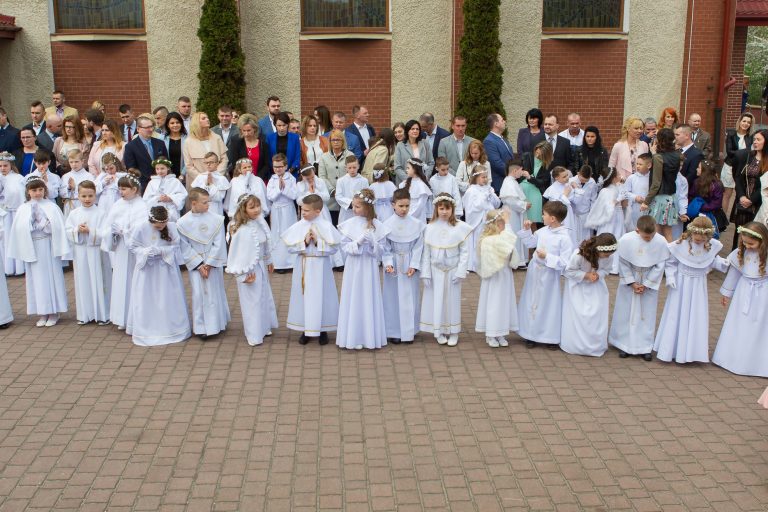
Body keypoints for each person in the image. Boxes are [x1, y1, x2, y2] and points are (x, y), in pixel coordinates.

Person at [653, 217, 728, 363]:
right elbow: (671, 263)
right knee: (676, 313)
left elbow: (710, 261)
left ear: (707, 236)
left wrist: (722, 263)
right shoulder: (680, 245)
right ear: (691, 233)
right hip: (681, 284)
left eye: (702, 239)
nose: (698, 241)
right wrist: (671, 277)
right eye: (696, 237)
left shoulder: (710, 246)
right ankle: (671, 349)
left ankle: (692, 352)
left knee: (696, 314)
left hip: (699, 285)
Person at [7, 175, 70, 327]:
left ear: (44, 190)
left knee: (51, 278)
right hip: (33, 248)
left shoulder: (51, 207)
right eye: (34, 190)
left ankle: (54, 311)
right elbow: (19, 229)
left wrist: (43, 223)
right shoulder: (23, 208)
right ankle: (42, 312)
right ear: (28, 191)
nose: (37, 193)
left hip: (48, 246)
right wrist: (31, 221)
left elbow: (57, 228)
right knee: (36, 280)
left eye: (40, 190)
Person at [282, 193, 342, 345]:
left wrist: (317, 242)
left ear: (318, 211)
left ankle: (322, 330)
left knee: (322, 297)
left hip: (321, 268)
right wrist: (303, 242)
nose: (303, 212)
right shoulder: (299, 226)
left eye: (307, 210)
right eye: (302, 209)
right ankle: (306, 330)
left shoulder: (326, 226)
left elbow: (334, 249)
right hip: (303, 266)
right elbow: (290, 248)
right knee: (304, 298)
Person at [126, 206, 190, 346]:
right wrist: (145, 252)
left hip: (165, 269)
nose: (161, 227)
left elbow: (176, 246)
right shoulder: (141, 227)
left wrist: (161, 251)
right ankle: (146, 329)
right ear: (151, 221)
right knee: (146, 297)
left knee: (167, 297)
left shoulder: (172, 227)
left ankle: (171, 329)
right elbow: (132, 246)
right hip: (147, 269)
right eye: (157, 225)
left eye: (163, 224)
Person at [609, 215, 670, 361]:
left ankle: (645, 346)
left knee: (646, 314)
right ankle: (624, 344)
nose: (649, 239)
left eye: (651, 236)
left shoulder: (660, 241)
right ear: (637, 230)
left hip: (648, 281)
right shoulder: (626, 240)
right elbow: (623, 262)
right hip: (630, 280)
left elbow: (660, 265)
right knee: (626, 312)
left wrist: (647, 284)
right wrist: (631, 282)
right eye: (646, 237)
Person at [712, 222, 768, 377]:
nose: (747, 246)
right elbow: (734, 273)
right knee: (740, 322)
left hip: (763, 293)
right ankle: (734, 359)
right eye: (745, 242)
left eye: (751, 243)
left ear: (763, 241)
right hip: (743, 292)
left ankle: (758, 363)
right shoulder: (741, 252)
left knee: (760, 325)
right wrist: (727, 293)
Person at [336, 189, 389, 350]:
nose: (354, 209)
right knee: (353, 296)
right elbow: (344, 247)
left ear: (367, 207)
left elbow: (382, 251)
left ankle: (368, 336)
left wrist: (373, 243)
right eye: (353, 206)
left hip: (369, 266)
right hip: (353, 266)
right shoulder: (349, 224)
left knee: (368, 296)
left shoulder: (378, 226)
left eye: (357, 206)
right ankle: (353, 336)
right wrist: (357, 243)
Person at [516, 201, 573, 349]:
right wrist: (527, 230)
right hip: (535, 272)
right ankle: (530, 334)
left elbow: (565, 262)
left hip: (549, 275)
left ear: (552, 218)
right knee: (531, 300)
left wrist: (547, 256)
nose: (542, 216)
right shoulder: (542, 231)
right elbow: (530, 243)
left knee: (548, 304)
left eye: (544, 214)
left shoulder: (564, 238)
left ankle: (549, 336)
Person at [420, 193, 472, 346]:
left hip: (452, 270)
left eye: (447, 209)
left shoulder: (460, 227)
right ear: (436, 209)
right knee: (437, 301)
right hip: (435, 270)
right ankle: (440, 330)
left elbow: (465, 252)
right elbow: (426, 253)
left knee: (452, 301)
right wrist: (425, 273)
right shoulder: (429, 228)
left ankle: (453, 331)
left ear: (452, 209)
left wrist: (461, 271)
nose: (444, 212)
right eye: (441, 208)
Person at [177, 187, 230, 340]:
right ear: (194, 203)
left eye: (208, 202)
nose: (208, 205)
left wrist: (210, 263)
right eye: (205, 202)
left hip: (212, 263)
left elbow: (219, 243)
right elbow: (184, 246)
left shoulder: (216, 219)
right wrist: (199, 265)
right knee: (199, 294)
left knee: (215, 292)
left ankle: (217, 324)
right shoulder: (182, 223)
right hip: (197, 265)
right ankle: (201, 327)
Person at [226, 194, 277, 346]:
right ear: (243, 209)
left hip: (260, 266)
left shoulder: (260, 222)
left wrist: (268, 260)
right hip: (249, 270)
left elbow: (264, 244)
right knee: (252, 302)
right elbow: (237, 254)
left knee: (263, 297)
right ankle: (254, 335)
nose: (256, 210)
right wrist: (242, 276)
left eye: (258, 206)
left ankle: (263, 327)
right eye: (252, 207)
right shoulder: (241, 229)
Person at [100, 171, 148, 330]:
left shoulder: (142, 206)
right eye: (119, 189)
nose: (121, 192)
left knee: (134, 280)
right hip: (121, 248)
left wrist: (125, 231)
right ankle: (122, 317)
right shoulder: (117, 205)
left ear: (134, 189)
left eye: (124, 189)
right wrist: (113, 232)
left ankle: (136, 318)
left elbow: (142, 229)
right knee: (121, 280)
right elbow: (107, 226)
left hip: (134, 250)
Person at [560, 233, 617, 357]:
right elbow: (569, 271)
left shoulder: (609, 257)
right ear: (598, 249)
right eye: (606, 255)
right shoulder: (579, 255)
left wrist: (598, 275)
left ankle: (595, 344)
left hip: (596, 286)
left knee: (596, 312)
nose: (608, 257)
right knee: (580, 314)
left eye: (610, 255)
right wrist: (586, 275)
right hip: (578, 286)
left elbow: (606, 269)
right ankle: (576, 344)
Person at [382, 188, 425, 345]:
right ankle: (394, 331)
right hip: (394, 264)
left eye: (407, 205)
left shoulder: (416, 224)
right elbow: (385, 247)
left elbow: (419, 246)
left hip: (409, 263)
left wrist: (414, 264)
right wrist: (388, 263)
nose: (404, 209)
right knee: (392, 298)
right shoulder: (387, 225)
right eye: (401, 206)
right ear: (393, 205)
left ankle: (410, 330)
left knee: (410, 297)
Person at [65, 180, 111, 325]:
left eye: (90, 196)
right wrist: (77, 230)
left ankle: (103, 314)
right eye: (83, 196)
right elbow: (67, 231)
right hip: (81, 252)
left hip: (96, 252)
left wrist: (91, 231)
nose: (87, 199)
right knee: (83, 281)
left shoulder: (101, 213)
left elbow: (106, 233)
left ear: (95, 195)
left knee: (99, 280)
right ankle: (85, 314)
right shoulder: (74, 213)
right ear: (78, 196)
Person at [475, 209, 520, 347]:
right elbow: (507, 241)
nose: (504, 226)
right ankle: (491, 333)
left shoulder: (501, 237)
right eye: (502, 224)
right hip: (494, 278)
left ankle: (501, 332)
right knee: (494, 304)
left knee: (504, 304)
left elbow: (510, 247)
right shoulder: (488, 240)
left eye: (505, 224)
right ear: (494, 225)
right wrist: (508, 223)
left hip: (505, 275)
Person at [641, 128, 682, 242]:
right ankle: (670, 252)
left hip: (660, 198)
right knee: (668, 232)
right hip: (671, 197)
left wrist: (646, 201)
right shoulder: (677, 155)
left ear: (660, 140)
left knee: (656, 232)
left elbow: (656, 183)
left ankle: (658, 252)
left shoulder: (658, 157)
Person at [730, 128, 767, 249]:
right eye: (754, 139)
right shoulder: (747, 156)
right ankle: (737, 254)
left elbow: (765, 186)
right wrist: (741, 196)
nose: (755, 142)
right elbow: (738, 177)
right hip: (743, 202)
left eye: (758, 140)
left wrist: (751, 200)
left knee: (756, 233)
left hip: (759, 203)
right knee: (740, 232)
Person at [585, 167, 625, 273]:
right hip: (609, 220)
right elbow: (608, 206)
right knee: (608, 237)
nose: (620, 175)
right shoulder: (606, 191)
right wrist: (618, 200)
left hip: (618, 217)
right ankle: (605, 264)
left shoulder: (617, 187)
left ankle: (616, 266)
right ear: (613, 178)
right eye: (618, 174)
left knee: (618, 237)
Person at [463, 166, 500, 272]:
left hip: (489, 220)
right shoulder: (471, 191)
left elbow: (497, 204)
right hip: (478, 222)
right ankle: (476, 264)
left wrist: (492, 196)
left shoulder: (489, 189)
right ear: (476, 178)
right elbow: (471, 208)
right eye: (483, 177)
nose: (485, 179)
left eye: (486, 177)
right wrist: (484, 198)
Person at [266, 153, 298, 272]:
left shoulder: (291, 178)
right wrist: (279, 189)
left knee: (289, 233)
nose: (278, 169)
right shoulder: (272, 180)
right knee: (277, 234)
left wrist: (284, 188)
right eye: (275, 167)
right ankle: (279, 263)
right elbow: (270, 196)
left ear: (285, 166)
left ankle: (291, 262)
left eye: (280, 166)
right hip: (277, 210)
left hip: (288, 209)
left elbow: (294, 195)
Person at [182, 112, 228, 188]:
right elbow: (188, 165)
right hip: (197, 182)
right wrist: (203, 178)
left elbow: (224, 159)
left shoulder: (217, 138)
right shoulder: (188, 142)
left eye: (207, 117)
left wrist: (217, 175)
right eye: (203, 118)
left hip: (218, 181)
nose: (207, 119)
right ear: (196, 122)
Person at [318, 129, 354, 225]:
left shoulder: (350, 155)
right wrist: (333, 191)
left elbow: (352, 174)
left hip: (346, 197)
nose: (336, 142)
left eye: (338, 139)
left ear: (343, 141)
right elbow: (322, 177)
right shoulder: (324, 157)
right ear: (330, 142)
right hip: (331, 199)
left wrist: (341, 191)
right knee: (332, 225)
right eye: (333, 140)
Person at [123, 116, 169, 188]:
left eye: (151, 126)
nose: (151, 129)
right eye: (147, 127)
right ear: (138, 129)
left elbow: (166, 163)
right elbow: (131, 169)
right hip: (143, 185)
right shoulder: (130, 147)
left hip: (162, 183)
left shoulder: (160, 143)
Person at [499, 158, 530, 267]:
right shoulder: (508, 182)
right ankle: (514, 260)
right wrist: (524, 205)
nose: (522, 172)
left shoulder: (513, 181)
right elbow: (510, 200)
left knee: (517, 234)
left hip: (515, 213)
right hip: (511, 214)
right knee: (513, 234)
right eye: (521, 170)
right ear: (515, 170)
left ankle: (520, 259)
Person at [722, 112, 754, 215]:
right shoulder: (731, 134)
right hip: (729, 167)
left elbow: (752, 153)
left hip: (744, 169)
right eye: (744, 121)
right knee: (727, 194)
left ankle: (736, 217)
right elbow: (729, 152)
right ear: (739, 121)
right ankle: (723, 219)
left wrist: (743, 153)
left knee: (741, 193)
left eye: (748, 122)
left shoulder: (751, 137)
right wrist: (745, 152)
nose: (746, 124)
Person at [0, 153, 26, 276]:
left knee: (16, 238)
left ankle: (20, 267)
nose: (2, 168)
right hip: (3, 214)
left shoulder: (18, 178)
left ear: (11, 165)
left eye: (5, 165)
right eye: (0, 166)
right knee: (5, 239)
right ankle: (7, 267)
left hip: (16, 212)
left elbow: (21, 194)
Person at [543, 166, 579, 248]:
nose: (567, 178)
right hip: (559, 217)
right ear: (556, 178)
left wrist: (576, 189)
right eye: (564, 177)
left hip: (569, 214)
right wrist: (565, 195)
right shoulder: (552, 189)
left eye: (567, 175)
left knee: (571, 234)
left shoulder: (567, 185)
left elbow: (575, 201)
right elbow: (556, 206)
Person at [520, 140, 552, 226]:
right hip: (522, 189)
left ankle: (533, 235)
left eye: (540, 154)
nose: (537, 155)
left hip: (536, 192)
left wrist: (530, 178)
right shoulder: (527, 156)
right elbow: (518, 170)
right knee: (522, 220)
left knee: (533, 221)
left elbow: (542, 183)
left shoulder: (547, 165)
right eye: (536, 152)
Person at [690, 160, 725, 236]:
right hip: (697, 214)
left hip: (713, 215)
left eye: (699, 167)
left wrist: (701, 207)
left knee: (711, 237)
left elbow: (717, 203)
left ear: (704, 171)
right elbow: (691, 196)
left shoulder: (716, 185)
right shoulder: (696, 182)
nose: (696, 169)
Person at [230, 116, 270, 181]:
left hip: (259, 180)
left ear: (255, 129)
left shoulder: (263, 142)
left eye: (249, 130)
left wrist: (257, 178)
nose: (246, 134)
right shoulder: (236, 142)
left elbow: (266, 165)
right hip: (242, 180)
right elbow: (235, 163)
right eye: (244, 130)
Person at [394, 119, 434, 184]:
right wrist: (409, 180)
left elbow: (431, 162)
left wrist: (425, 177)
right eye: (412, 129)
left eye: (417, 129)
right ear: (407, 131)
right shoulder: (400, 145)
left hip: (422, 182)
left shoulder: (425, 143)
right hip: (406, 183)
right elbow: (397, 167)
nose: (415, 131)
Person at [567, 164, 598, 247]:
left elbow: (593, 199)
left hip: (585, 214)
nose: (583, 182)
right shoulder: (571, 181)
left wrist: (592, 214)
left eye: (586, 181)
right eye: (582, 180)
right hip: (573, 214)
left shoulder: (592, 182)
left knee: (586, 238)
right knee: (574, 237)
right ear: (578, 173)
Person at [483, 113, 514, 193]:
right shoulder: (489, 141)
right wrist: (513, 172)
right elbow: (496, 163)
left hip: (508, 183)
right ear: (496, 124)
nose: (504, 122)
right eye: (502, 120)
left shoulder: (503, 139)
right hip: (499, 185)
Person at [59, 149, 94, 220]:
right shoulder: (65, 176)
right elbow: (61, 193)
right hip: (69, 205)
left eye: (76, 162)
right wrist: (69, 188)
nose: (74, 164)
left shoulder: (89, 176)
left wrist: (75, 188)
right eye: (71, 162)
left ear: (82, 161)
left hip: (82, 204)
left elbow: (91, 192)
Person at [335, 155, 369, 225]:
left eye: (354, 167)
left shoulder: (364, 180)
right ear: (346, 168)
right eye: (349, 168)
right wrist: (350, 203)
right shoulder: (341, 181)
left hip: (360, 212)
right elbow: (338, 196)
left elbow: (367, 195)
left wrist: (358, 204)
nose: (352, 170)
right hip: (346, 212)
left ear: (358, 166)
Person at [398, 158, 432, 224]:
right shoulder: (404, 183)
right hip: (405, 213)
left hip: (418, 216)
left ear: (415, 169)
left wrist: (409, 216)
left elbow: (420, 205)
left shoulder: (422, 186)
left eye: (408, 168)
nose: (406, 170)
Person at [94, 154, 127, 218]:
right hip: (103, 205)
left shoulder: (122, 176)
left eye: (111, 168)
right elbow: (94, 191)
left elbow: (126, 189)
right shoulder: (102, 176)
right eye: (107, 169)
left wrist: (116, 180)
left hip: (117, 202)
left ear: (116, 165)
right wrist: (103, 183)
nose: (109, 171)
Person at [675, 124, 704, 190]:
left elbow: (691, 176)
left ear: (687, 136)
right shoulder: (676, 151)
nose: (675, 137)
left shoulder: (696, 154)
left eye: (677, 135)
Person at [162, 112, 187, 178]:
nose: (175, 125)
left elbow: (189, 160)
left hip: (184, 176)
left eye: (177, 122)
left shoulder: (187, 139)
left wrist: (182, 174)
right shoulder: (162, 139)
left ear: (181, 123)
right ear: (168, 125)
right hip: (167, 176)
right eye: (172, 123)